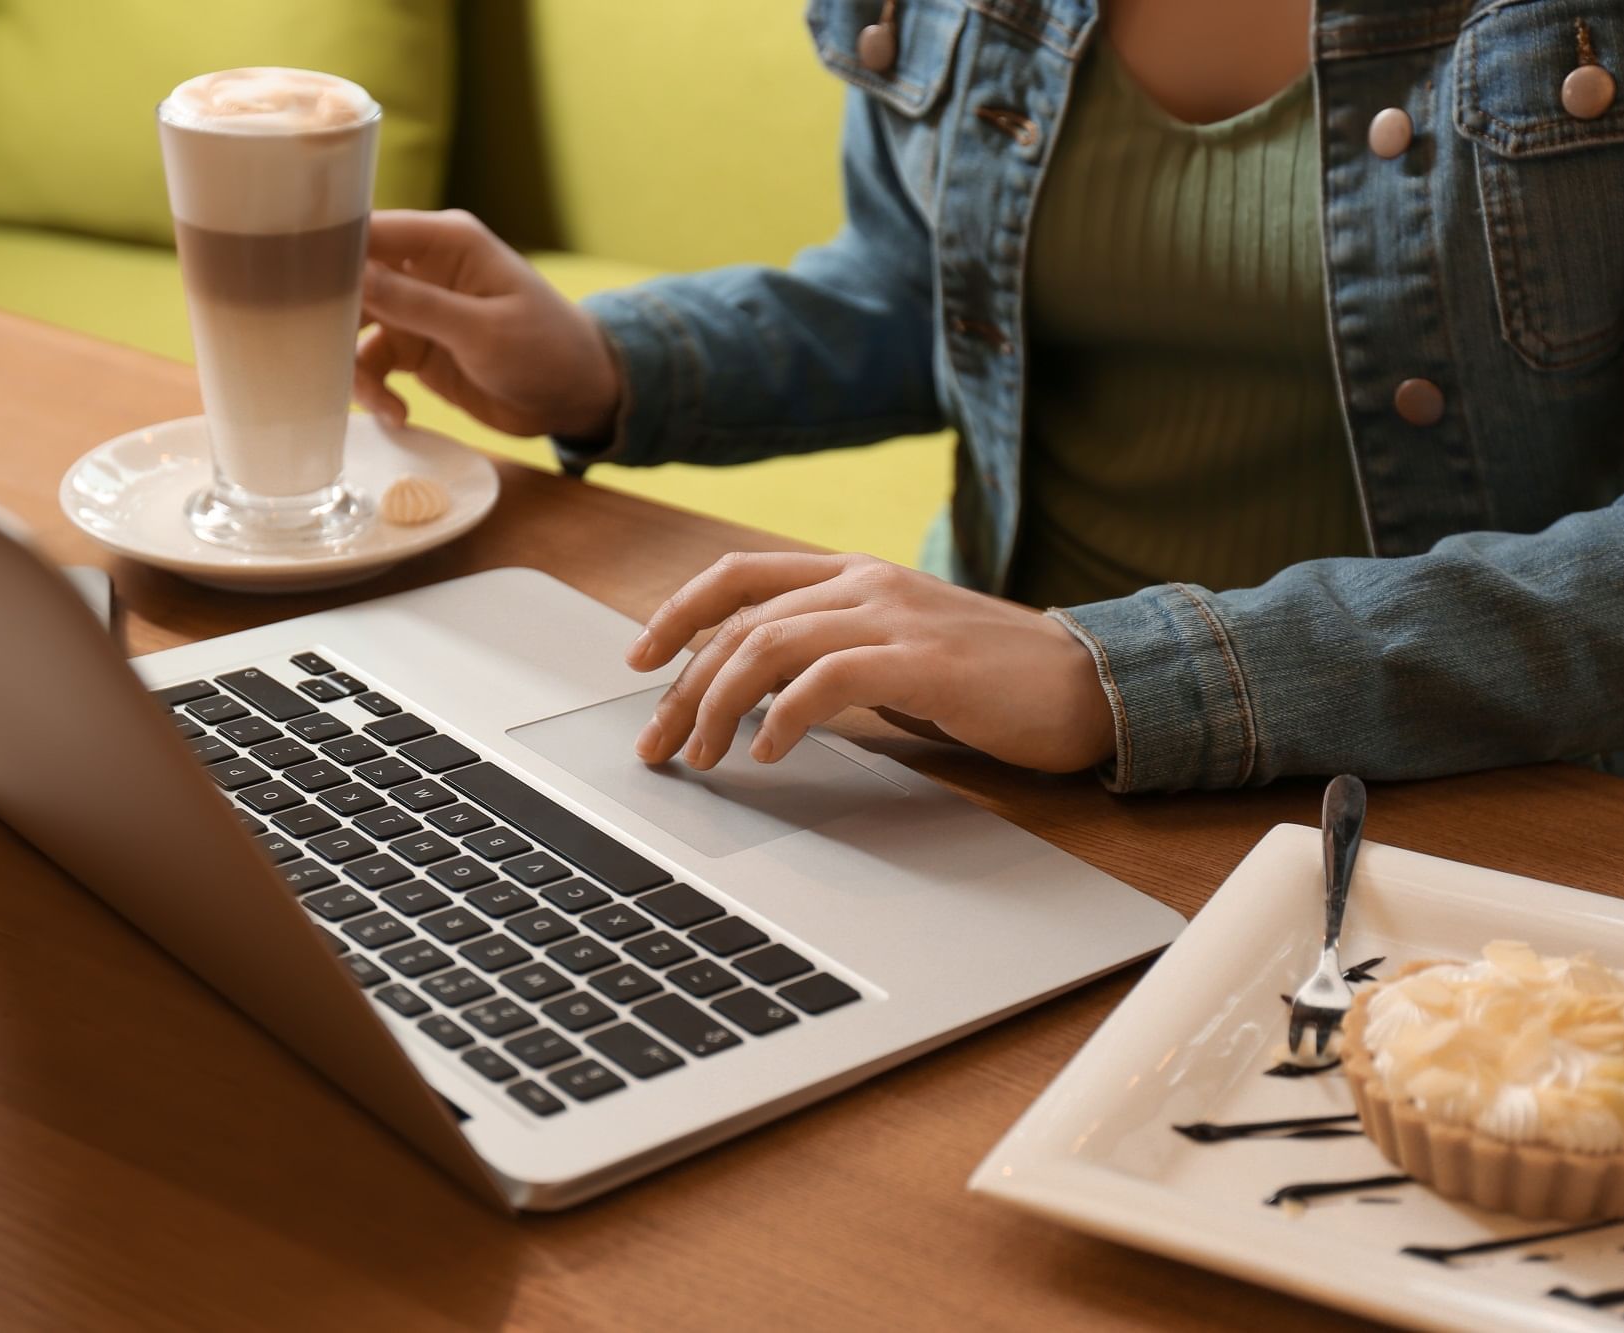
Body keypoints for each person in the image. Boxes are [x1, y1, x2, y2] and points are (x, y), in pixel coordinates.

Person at [352, 0, 1624, 792]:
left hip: (1470, 790)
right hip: (978, 740)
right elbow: (943, 294)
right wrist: (602, 361)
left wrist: (1122, 674)